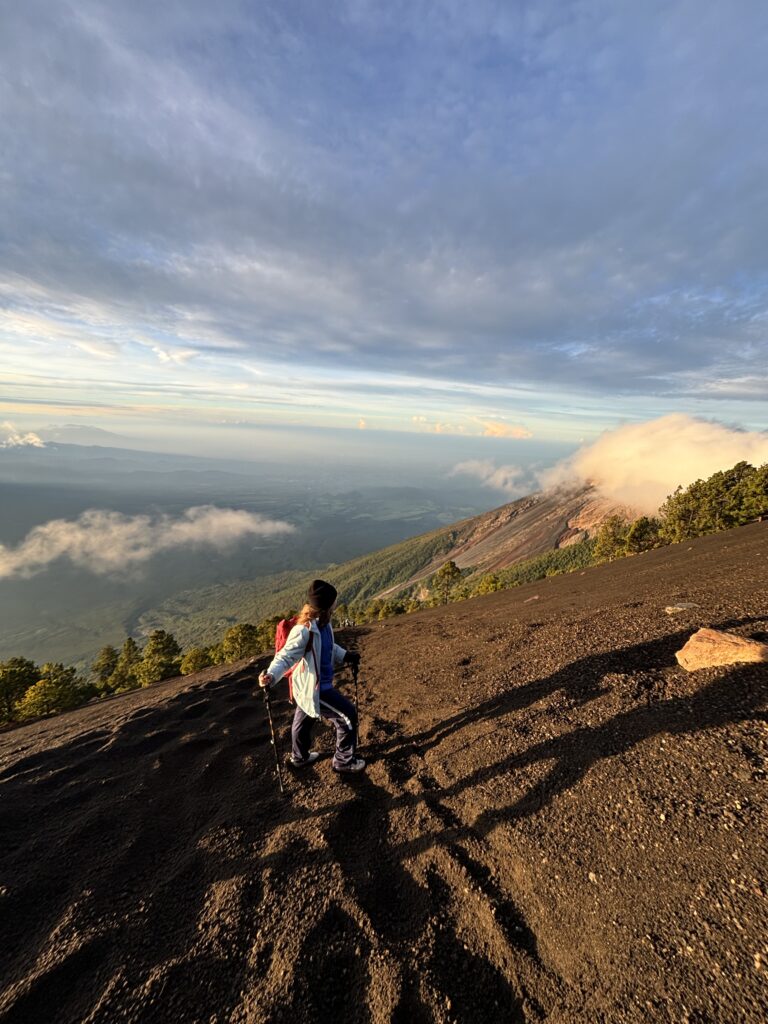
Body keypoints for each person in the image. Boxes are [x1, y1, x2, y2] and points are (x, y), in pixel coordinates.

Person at [259, 579, 364, 773]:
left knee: (303, 720)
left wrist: (345, 655)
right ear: (327, 604)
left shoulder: (324, 625)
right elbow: (285, 656)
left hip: (307, 687)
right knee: (347, 716)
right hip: (317, 689)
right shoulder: (304, 630)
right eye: (334, 600)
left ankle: (299, 757)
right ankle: (343, 762)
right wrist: (271, 676)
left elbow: (328, 647)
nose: (336, 603)